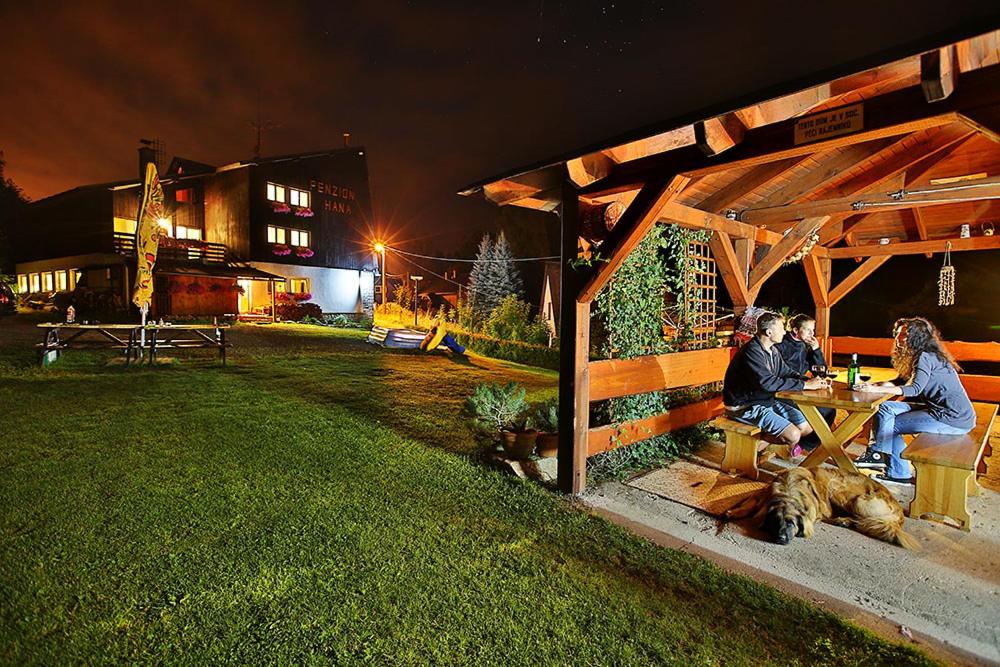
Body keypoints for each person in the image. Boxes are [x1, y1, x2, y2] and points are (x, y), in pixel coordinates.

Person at [854, 317, 975, 484]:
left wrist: (876, 390)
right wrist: (876, 385)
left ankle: (885, 461)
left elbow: (915, 389)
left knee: (891, 424)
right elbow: (904, 383)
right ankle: (886, 462)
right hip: (947, 412)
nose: (898, 338)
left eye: (904, 334)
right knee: (886, 409)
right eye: (897, 334)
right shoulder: (929, 355)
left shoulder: (925, 357)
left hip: (952, 418)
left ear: (916, 337)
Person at [723, 311, 828, 448]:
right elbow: (767, 382)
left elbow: (786, 372)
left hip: (764, 400)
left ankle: (761, 444)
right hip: (744, 406)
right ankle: (754, 445)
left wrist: (813, 382)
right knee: (794, 435)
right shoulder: (752, 351)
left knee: (807, 427)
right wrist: (805, 385)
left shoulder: (772, 351)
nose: (785, 332)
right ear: (769, 332)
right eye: (781, 329)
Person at [776, 313, 836, 443]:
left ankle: (808, 445)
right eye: (808, 330)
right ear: (796, 330)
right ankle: (804, 444)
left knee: (829, 409)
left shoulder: (807, 345)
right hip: (785, 389)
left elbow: (822, 373)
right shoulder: (781, 344)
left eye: (813, 330)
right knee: (815, 410)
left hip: (803, 387)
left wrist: (816, 349)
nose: (812, 333)